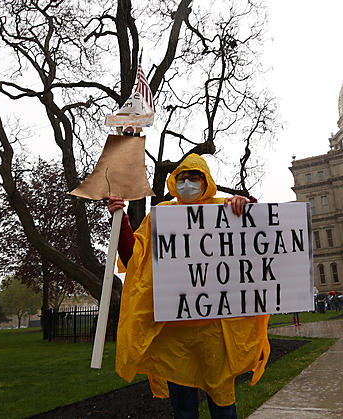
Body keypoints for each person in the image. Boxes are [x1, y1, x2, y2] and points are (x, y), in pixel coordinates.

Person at [108, 154, 270, 419]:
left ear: (206, 181)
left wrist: (247, 206)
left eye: (193, 178)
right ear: (173, 183)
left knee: (223, 406)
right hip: (175, 337)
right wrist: (120, 219)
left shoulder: (225, 211)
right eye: (181, 179)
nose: (186, 184)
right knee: (184, 411)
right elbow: (133, 258)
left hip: (215, 333)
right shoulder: (160, 217)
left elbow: (260, 239)